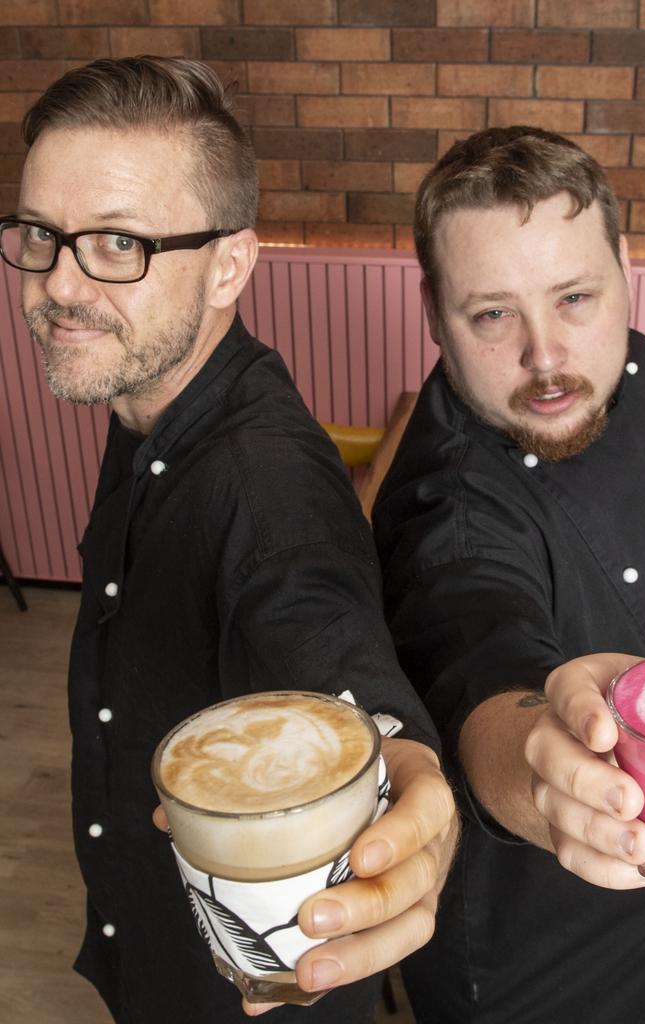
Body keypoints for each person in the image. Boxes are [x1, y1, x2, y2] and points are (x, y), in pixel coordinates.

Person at [3, 56, 457, 1024]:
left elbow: (317, 620)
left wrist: (402, 767)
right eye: (41, 234)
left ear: (230, 266)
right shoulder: (149, 396)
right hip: (154, 927)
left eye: (119, 242)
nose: (59, 283)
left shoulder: (263, 484)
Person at [372, 125, 645, 1024]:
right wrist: (543, 774)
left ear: (625, 266)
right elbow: (478, 647)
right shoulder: (450, 503)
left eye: (576, 297)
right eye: (492, 315)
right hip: (554, 960)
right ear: (434, 310)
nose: (546, 358)